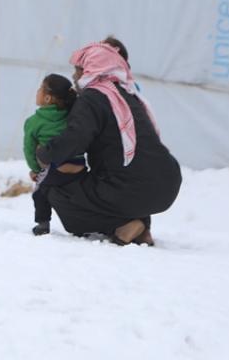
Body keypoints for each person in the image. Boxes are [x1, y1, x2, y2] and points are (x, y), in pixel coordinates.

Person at [36, 41, 181, 245]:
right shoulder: (129, 95)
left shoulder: (93, 97)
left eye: (78, 70)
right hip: (168, 183)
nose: (75, 76)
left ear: (92, 70)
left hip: (131, 189)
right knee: (124, 178)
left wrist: (45, 153)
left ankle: (124, 225)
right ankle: (141, 228)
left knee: (58, 193)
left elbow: (75, 139)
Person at [23, 74, 88, 236]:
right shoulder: (72, 116)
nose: (37, 91)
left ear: (47, 98)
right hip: (79, 166)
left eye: (40, 88)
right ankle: (84, 226)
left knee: (40, 193)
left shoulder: (34, 122)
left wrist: (35, 170)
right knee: (77, 196)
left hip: (54, 168)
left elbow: (29, 149)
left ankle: (42, 225)